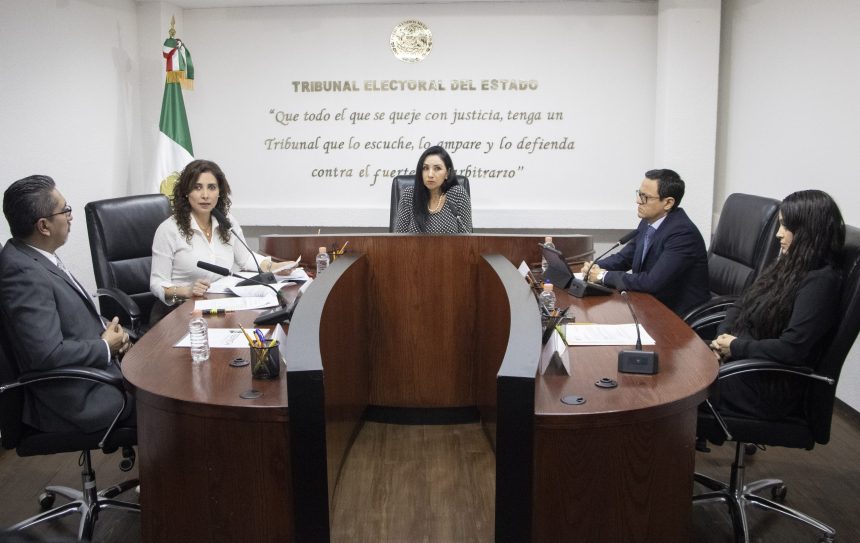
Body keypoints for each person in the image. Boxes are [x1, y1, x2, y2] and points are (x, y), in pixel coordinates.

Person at [0, 175, 134, 433]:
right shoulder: (23, 273)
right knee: (168, 404)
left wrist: (114, 333)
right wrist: (105, 346)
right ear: (44, 226)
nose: (70, 216)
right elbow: (47, 353)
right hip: (79, 396)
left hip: (96, 373)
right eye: (65, 210)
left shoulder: (33, 255)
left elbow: (72, 318)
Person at [709, 190, 844, 419]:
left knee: (682, 390)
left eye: (786, 227)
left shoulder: (820, 282)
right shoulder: (789, 265)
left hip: (766, 383)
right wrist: (722, 340)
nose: (779, 234)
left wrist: (736, 347)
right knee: (677, 365)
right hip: (743, 362)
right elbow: (741, 305)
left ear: (809, 232)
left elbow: (791, 349)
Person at [149, 159, 294, 321]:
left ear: (219, 192)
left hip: (217, 306)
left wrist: (275, 267)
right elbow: (157, 283)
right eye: (197, 187)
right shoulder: (169, 229)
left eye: (211, 187)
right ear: (186, 192)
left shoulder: (226, 222)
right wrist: (186, 291)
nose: (205, 195)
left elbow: (246, 259)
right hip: (179, 312)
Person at [581, 169, 709, 316]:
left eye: (645, 197)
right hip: (650, 305)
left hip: (678, 316)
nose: (638, 201)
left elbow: (652, 282)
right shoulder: (648, 223)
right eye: (639, 194)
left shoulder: (682, 234)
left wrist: (602, 276)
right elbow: (624, 258)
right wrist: (594, 267)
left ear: (668, 203)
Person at [393, 145, 473, 234]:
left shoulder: (458, 195)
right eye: (425, 168)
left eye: (437, 168)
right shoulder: (409, 195)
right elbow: (399, 238)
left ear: (447, 173)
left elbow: (467, 238)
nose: (430, 174)